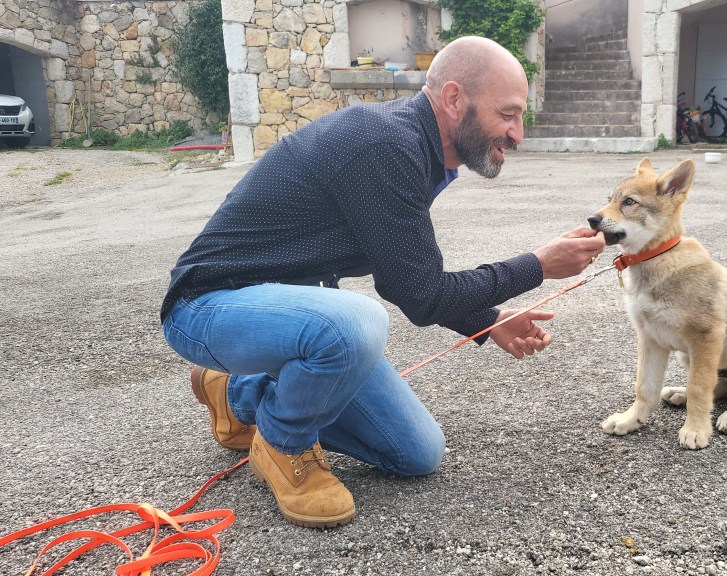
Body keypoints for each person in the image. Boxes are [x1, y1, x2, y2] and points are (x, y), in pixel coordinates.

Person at [160, 36, 606, 529]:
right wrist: (539, 265)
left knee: (416, 452)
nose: (517, 133)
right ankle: (282, 444)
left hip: (287, 314)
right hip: (207, 307)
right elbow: (420, 296)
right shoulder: (386, 144)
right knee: (355, 324)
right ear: (454, 99)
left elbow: (404, 276)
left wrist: (489, 321)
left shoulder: (414, 147)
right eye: (507, 114)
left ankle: (236, 393)